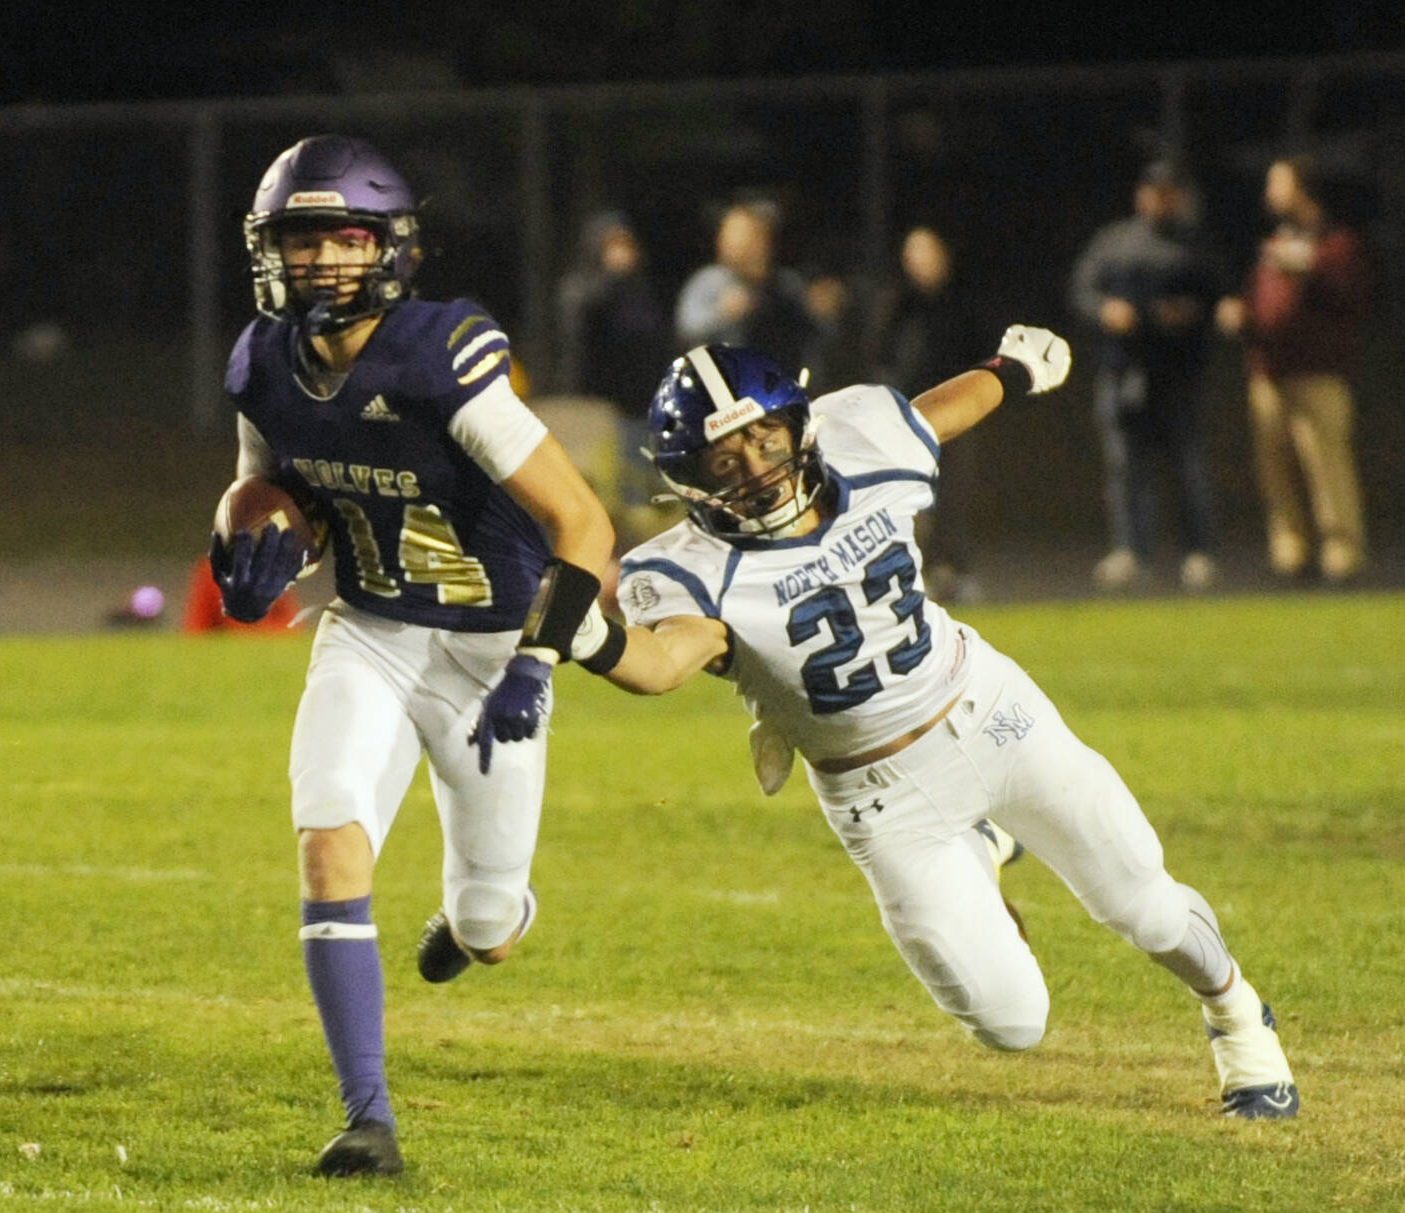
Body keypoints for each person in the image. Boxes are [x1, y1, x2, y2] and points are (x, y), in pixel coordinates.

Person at [517, 332, 1300, 1120]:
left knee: (1144, 905)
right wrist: (591, 638)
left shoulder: (861, 439)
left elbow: (936, 414)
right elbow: (661, 664)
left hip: (990, 712)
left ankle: (1236, 1015)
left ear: (796, 422)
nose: (755, 466)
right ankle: (979, 851)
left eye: (763, 437)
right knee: (1011, 1022)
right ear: (691, 477)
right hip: (881, 793)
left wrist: (1009, 371)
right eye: (725, 458)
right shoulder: (682, 569)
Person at [210, 135, 615, 1177]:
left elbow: (582, 523)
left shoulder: (443, 356)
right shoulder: (262, 360)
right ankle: (368, 1118)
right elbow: (264, 486)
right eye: (301, 241)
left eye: (343, 239)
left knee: (490, 928)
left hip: (489, 654)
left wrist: (537, 663)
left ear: (389, 248)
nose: (320, 264)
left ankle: (477, 921)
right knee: (327, 837)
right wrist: (246, 552)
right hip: (373, 629)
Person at [1069, 160, 1227, 593]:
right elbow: (1082, 291)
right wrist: (1105, 311)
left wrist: (1191, 314)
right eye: (1153, 190)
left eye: (1169, 191)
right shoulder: (1115, 242)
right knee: (1125, 468)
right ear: (1141, 194)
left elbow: (1219, 300)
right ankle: (1130, 553)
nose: (1160, 199)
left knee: (1187, 465)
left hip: (1177, 374)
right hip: (1124, 371)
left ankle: (1197, 554)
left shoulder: (1195, 245)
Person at [1216, 155, 1372, 583]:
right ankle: (1291, 551)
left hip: (1319, 373)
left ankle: (1342, 553)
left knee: (1325, 465)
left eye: (1277, 184)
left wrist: (1309, 267)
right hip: (1269, 372)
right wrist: (1242, 313)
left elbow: (1351, 295)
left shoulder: (1335, 243)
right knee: (1276, 470)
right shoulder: (1275, 242)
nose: (1270, 193)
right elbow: (1262, 299)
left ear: (1302, 188)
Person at [861, 226, 987, 601]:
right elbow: (877, 354)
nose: (923, 262)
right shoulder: (895, 302)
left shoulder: (960, 301)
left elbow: (980, 352)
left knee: (953, 496)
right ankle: (914, 574)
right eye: (915, 253)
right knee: (910, 499)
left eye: (929, 253)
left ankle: (956, 571)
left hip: (954, 414)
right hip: (907, 416)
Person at [554, 210, 672, 530]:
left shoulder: (641, 290)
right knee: (607, 482)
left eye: (626, 244)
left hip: (642, 400)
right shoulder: (583, 285)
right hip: (599, 404)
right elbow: (582, 330)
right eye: (612, 244)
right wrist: (611, 278)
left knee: (640, 480)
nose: (623, 252)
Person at [675, 199, 829, 374]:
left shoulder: (785, 284)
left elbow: (812, 334)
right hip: (724, 382)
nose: (744, 246)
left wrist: (822, 312)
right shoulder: (710, 281)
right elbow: (687, 328)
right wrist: (723, 312)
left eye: (754, 236)